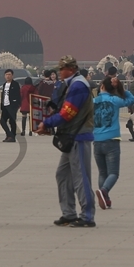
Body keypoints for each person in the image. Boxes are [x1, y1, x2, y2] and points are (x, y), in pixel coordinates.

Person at [41, 56, 96, 227]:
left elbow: (68, 113)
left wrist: (47, 123)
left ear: (70, 69)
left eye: (61, 69)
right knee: (63, 174)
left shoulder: (78, 85)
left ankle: (87, 216)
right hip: (71, 136)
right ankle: (69, 213)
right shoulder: (72, 84)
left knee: (80, 177)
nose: (59, 72)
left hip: (78, 135)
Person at [91, 72, 134, 208]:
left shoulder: (93, 102)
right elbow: (131, 99)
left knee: (102, 172)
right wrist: (121, 88)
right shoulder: (115, 100)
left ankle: (105, 199)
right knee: (114, 173)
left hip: (97, 140)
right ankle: (104, 191)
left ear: (102, 86)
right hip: (111, 139)